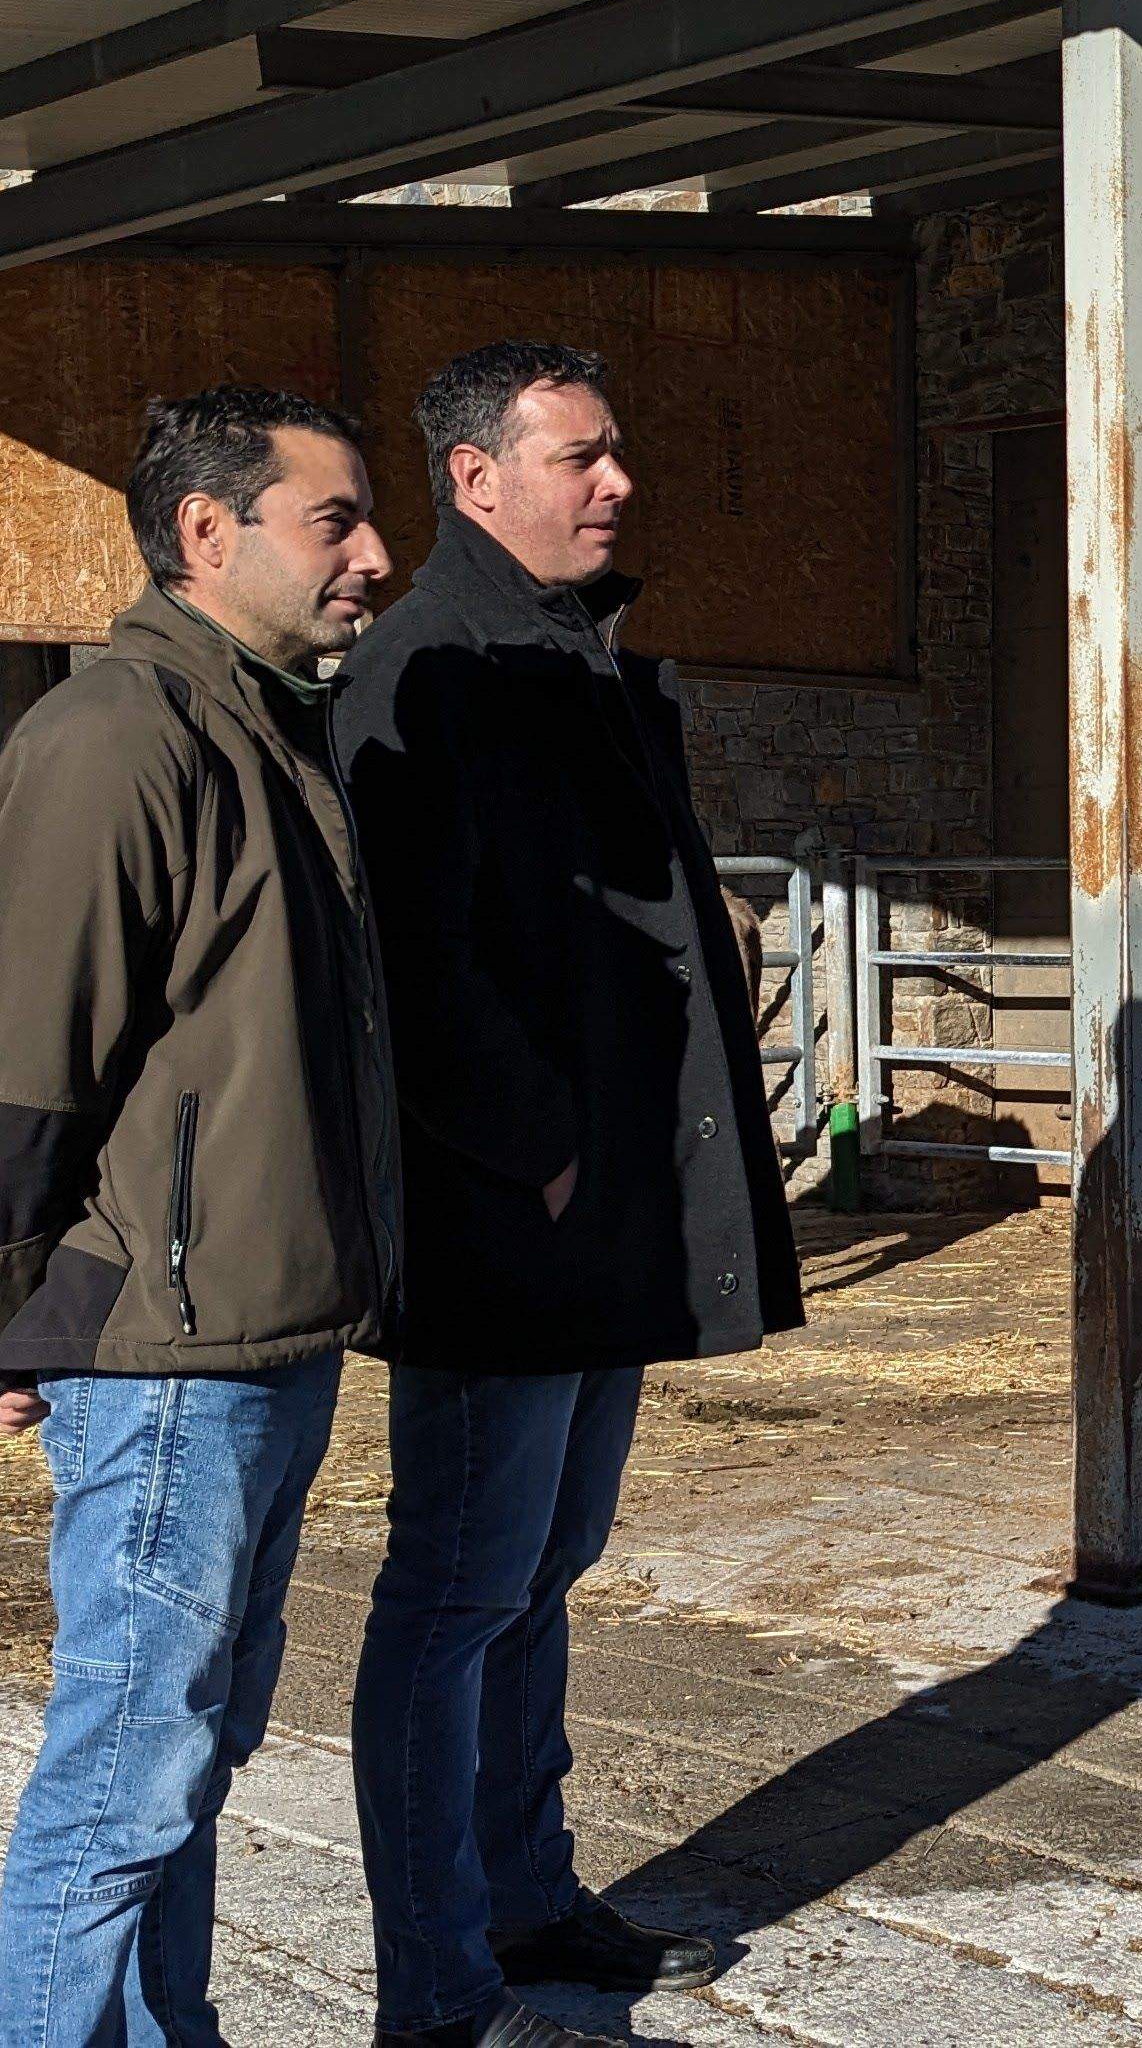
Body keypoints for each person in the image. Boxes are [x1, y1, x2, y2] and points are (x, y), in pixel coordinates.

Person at [0, 385, 402, 2047]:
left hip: (267, 1329)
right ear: (210, 531)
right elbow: (4, 1075)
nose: (375, 555)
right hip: (167, 1357)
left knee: (189, 1757)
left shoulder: (272, 725)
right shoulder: (121, 735)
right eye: (333, 520)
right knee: (126, 1771)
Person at [337, 340, 801, 2048]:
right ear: (477, 480)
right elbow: (412, 956)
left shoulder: (573, 657)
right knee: (457, 1586)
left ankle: (524, 1901)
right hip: (503, 1225)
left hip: (598, 1211)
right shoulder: (429, 671)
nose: (619, 484)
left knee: (543, 1570)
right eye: (581, 459)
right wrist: (528, 1141)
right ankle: (438, 1977)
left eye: (620, 456)